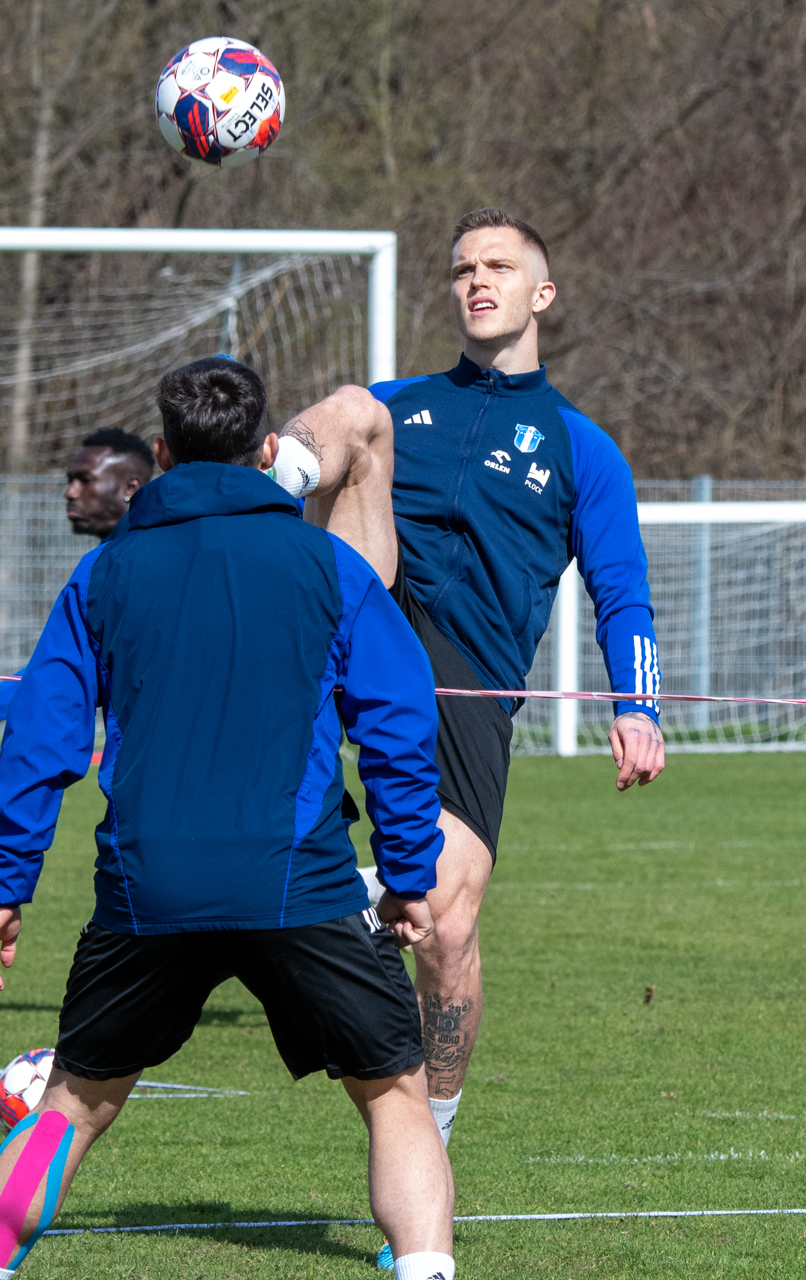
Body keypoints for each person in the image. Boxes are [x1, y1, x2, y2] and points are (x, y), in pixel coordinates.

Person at [0, 358, 457, 1280]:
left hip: (149, 890)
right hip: (299, 881)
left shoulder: (104, 573)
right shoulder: (331, 567)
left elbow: (41, 738)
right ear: (267, 451)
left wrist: (5, 887)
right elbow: (398, 724)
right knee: (396, 1096)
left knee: (69, 1108)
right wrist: (408, 875)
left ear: (160, 455)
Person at [269, 208, 667, 1169]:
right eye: (461, 270)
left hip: (466, 678)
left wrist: (639, 705)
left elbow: (622, 590)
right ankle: (255, 485)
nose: (476, 280)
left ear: (542, 293)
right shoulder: (401, 403)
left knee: (445, 926)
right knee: (352, 409)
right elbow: (355, 432)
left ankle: (430, 1143)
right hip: (358, 614)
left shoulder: (582, 448)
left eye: (498, 266)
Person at [0, 428, 154, 727]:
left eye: (85, 480)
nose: (70, 492)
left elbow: (66, 672)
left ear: (130, 488)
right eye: (70, 480)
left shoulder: (140, 562)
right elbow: (63, 669)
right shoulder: (111, 559)